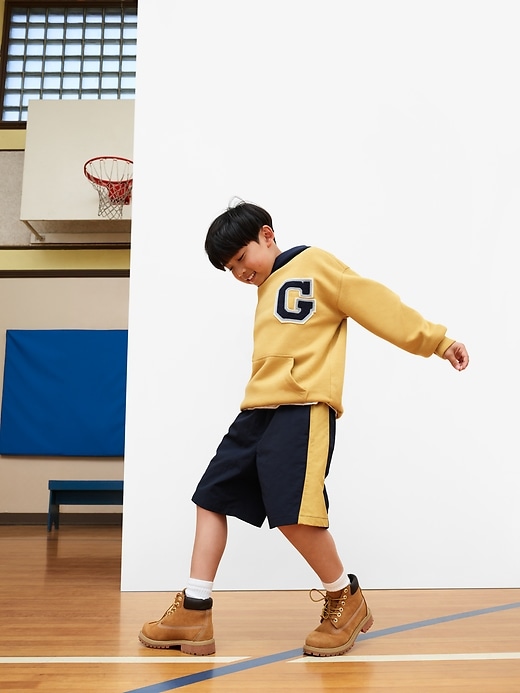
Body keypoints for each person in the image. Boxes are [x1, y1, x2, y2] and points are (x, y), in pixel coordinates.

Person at [138, 201, 469, 657]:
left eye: (241, 258)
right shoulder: (265, 286)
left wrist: (437, 341)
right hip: (257, 410)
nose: (240, 272)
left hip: (303, 407)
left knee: (293, 512)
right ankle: (195, 609)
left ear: (267, 234)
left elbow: (377, 304)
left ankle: (345, 598)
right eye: (230, 269)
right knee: (211, 497)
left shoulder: (316, 264)